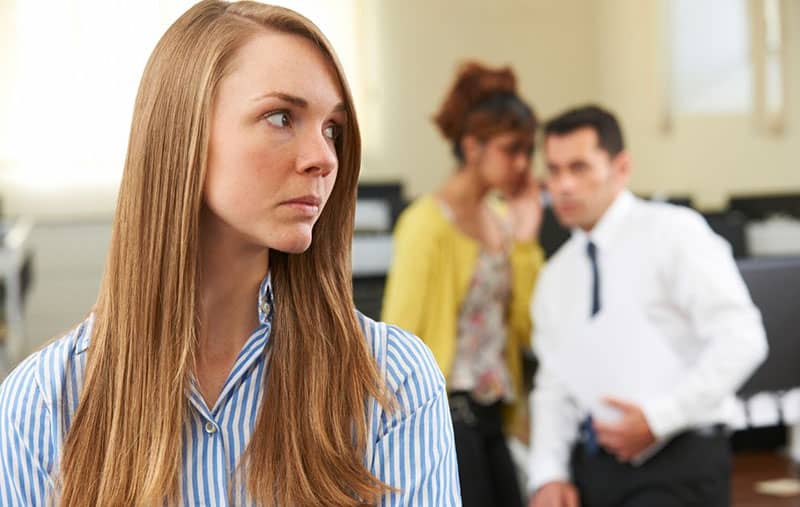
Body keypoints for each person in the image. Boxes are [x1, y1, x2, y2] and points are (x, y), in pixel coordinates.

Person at [0, 2, 461, 505]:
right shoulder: (43, 402)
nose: (324, 157)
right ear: (183, 135)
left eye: (333, 128)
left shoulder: (391, 383)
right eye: (282, 117)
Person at [527, 105, 768, 507]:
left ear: (621, 167)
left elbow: (742, 340)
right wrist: (548, 474)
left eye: (579, 167)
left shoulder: (675, 233)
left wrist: (660, 419)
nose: (563, 185)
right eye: (553, 170)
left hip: (680, 458)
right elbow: (554, 386)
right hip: (595, 467)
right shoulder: (556, 276)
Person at [382, 61, 545, 507]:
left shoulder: (505, 220)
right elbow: (399, 334)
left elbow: (532, 327)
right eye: (512, 149)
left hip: (495, 411)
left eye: (527, 151)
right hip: (446, 412)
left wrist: (527, 243)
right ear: (473, 147)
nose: (522, 164)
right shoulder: (425, 225)